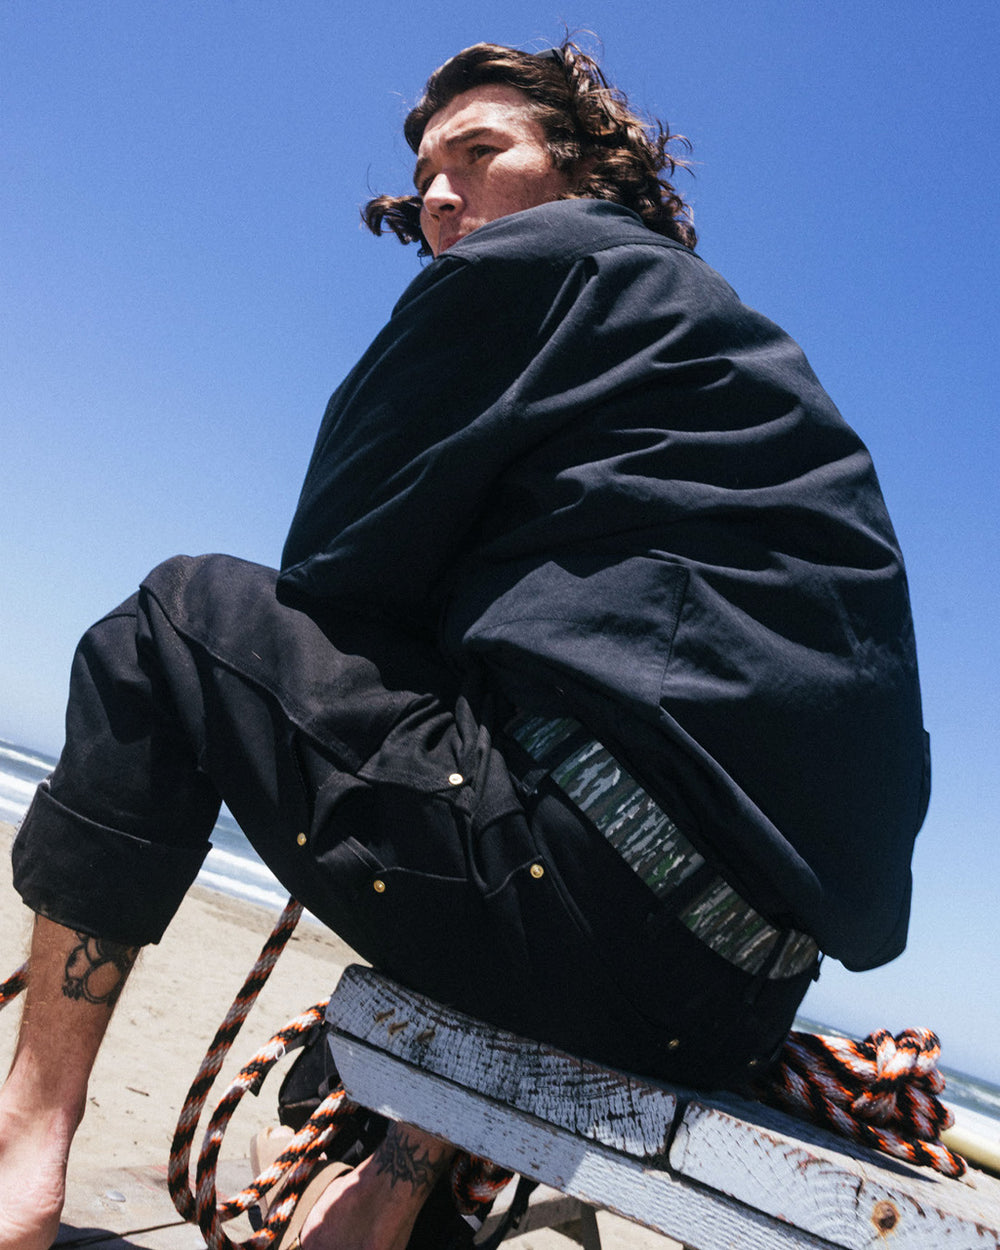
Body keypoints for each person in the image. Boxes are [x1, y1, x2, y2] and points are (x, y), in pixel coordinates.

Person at [0, 40, 928, 1250]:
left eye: (481, 155)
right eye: (426, 175)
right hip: (737, 1001)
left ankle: (25, 1138)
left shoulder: (550, 259)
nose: (443, 196)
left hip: (572, 906)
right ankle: (400, 1172)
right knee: (500, 739)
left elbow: (333, 567)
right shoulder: (718, 353)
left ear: (587, 171)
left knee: (174, 619)